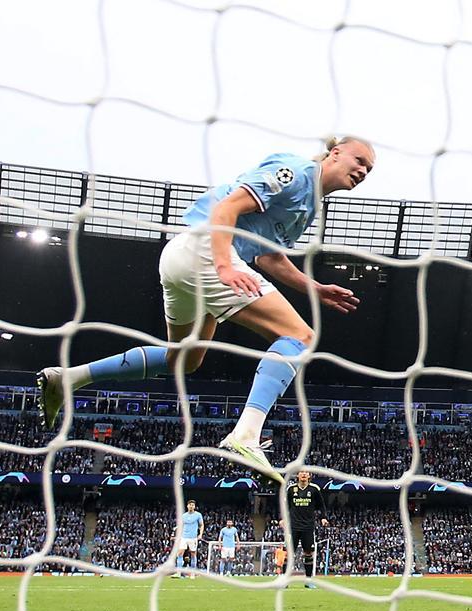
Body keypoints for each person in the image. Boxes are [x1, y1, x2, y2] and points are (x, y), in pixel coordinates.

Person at [36, 138, 375, 485]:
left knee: (183, 360)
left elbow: (268, 257)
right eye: (359, 160)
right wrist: (225, 264)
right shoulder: (296, 174)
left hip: (184, 259)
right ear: (335, 152)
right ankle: (247, 435)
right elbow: (226, 209)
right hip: (205, 253)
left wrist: (314, 288)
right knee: (300, 335)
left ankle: (69, 378)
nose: (363, 170)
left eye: (369, 168)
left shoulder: (309, 206)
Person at [284, 470, 330, 587]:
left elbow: (321, 505)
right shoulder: (291, 489)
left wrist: (323, 517)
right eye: (301, 473)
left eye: (306, 473)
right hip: (293, 526)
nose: (304, 474)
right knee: (289, 553)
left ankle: (308, 581)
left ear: (309, 476)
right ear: (298, 475)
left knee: (308, 553)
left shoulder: (314, 489)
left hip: (308, 527)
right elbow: (285, 505)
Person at [174, 500, 203, 579]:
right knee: (180, 554)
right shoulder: (183, 516)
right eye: (190, 505)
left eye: (193, 505)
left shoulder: (198, 515)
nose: (191, 506)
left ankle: (193, 573)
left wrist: (200, 534)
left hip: (193, 538)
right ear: (187, 506)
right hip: (184, 537)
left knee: (193, 554)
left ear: (194, 506)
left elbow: (201, 525)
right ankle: (178, 573)